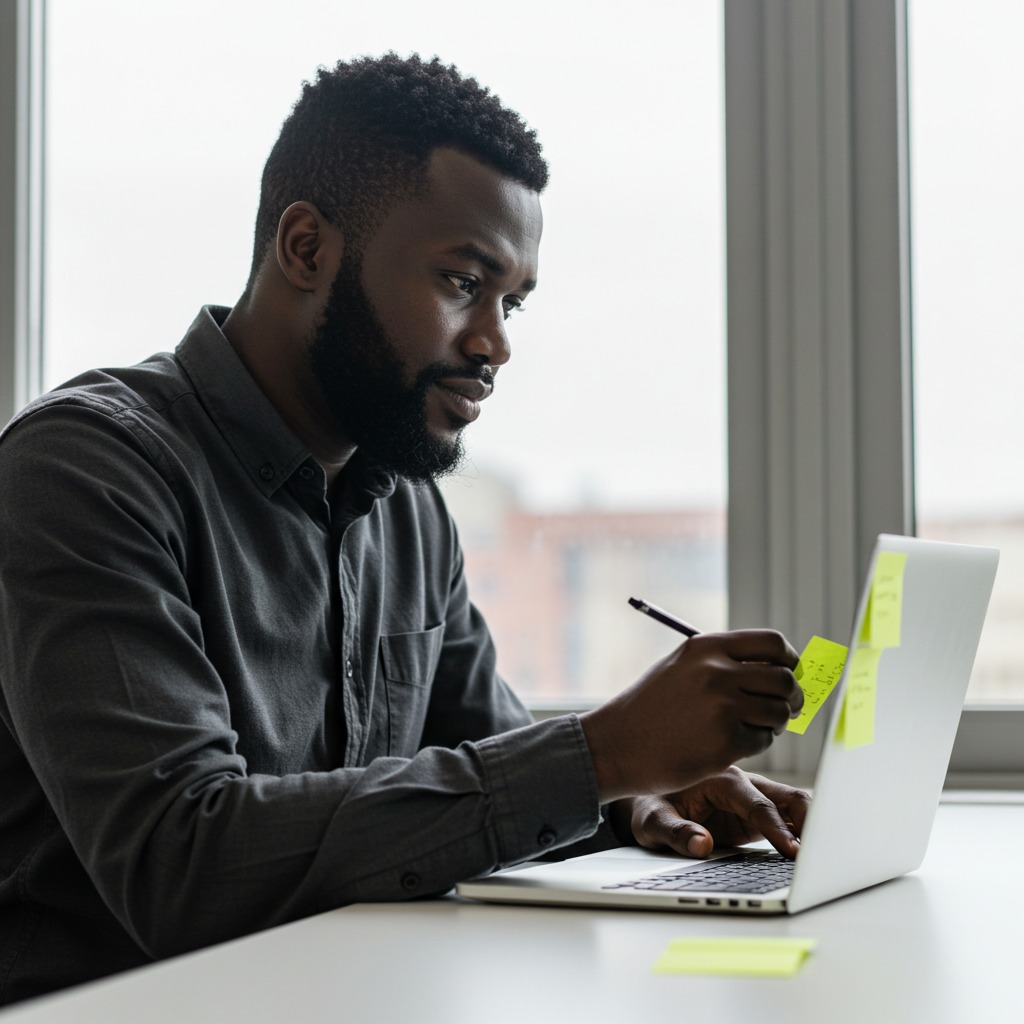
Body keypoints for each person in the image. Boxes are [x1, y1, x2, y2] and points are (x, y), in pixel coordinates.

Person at [0, 53, 807, 1006]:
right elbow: (181, 861)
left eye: (511, 302)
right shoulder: (85, 470)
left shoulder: (408, 508)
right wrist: (603, 756)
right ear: (306, 249)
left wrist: (638, 803)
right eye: (464, 280)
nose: (496, 342)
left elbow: (486, 768)